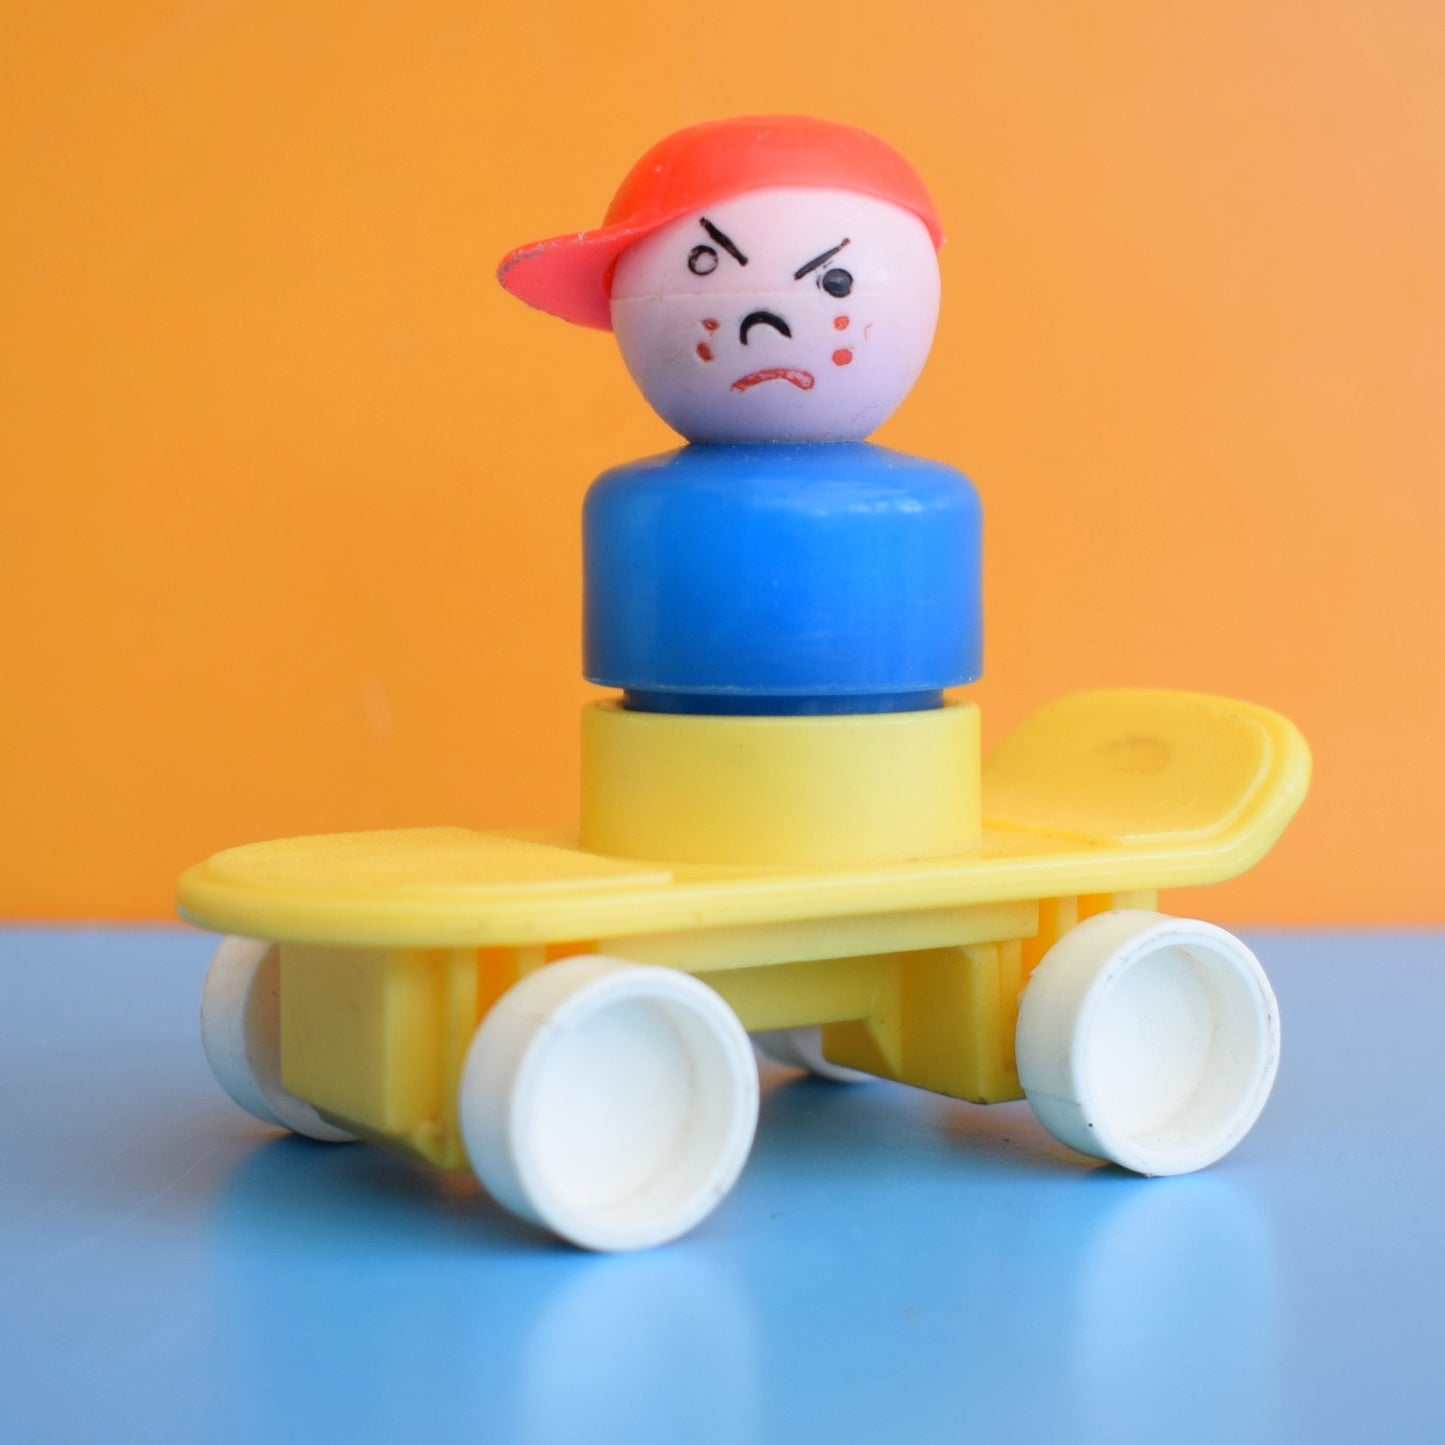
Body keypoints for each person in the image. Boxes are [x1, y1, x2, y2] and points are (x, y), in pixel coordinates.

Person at [499, 114, 981, 717]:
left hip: (891, 756)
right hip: (662, 755)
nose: (763, 326)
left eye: (834, 280)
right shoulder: (643, 507)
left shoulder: (917, 505)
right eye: (704, 264)